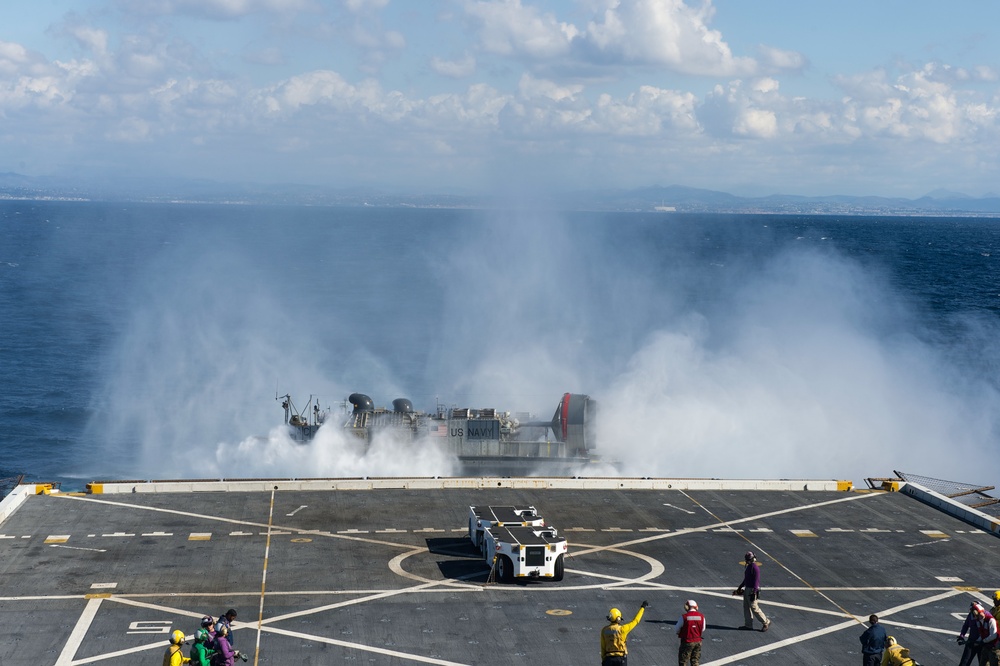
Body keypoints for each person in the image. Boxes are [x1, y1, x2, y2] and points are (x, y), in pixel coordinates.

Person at [600, 600, 648, 665]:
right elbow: (635, 621)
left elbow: (603, 647)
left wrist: (603, 660)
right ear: (618, 619)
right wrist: (642, 607)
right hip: (621, 658)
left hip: (609, 659)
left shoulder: (604, 630)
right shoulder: (622, 629)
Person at [733, 551, 770, 632]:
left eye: (748, 560)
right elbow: (746, 579)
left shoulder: (755, 568)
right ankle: (748, 625)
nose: (747, 561)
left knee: (754, 608)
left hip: (752, 590)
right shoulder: (749, 567)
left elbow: (756, 581)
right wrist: (740, 586)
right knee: (746, 607)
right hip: (747, 589)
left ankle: (765, 622)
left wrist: (754, 592)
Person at [675, 599, 706, 666]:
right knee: (695, 661)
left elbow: (677, 629)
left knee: (683, 661)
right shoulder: (702, 616)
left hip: (687, 641)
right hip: (698, 641)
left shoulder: (684, 617)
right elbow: (703, 628)